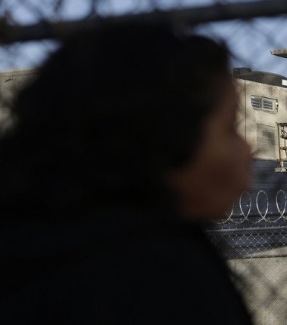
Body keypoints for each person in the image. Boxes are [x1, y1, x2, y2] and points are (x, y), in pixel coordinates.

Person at [0, 23, 254, 324]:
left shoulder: (25, 247)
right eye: (229, 128)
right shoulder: (162, 277)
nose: (248, 149)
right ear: (163, 138)